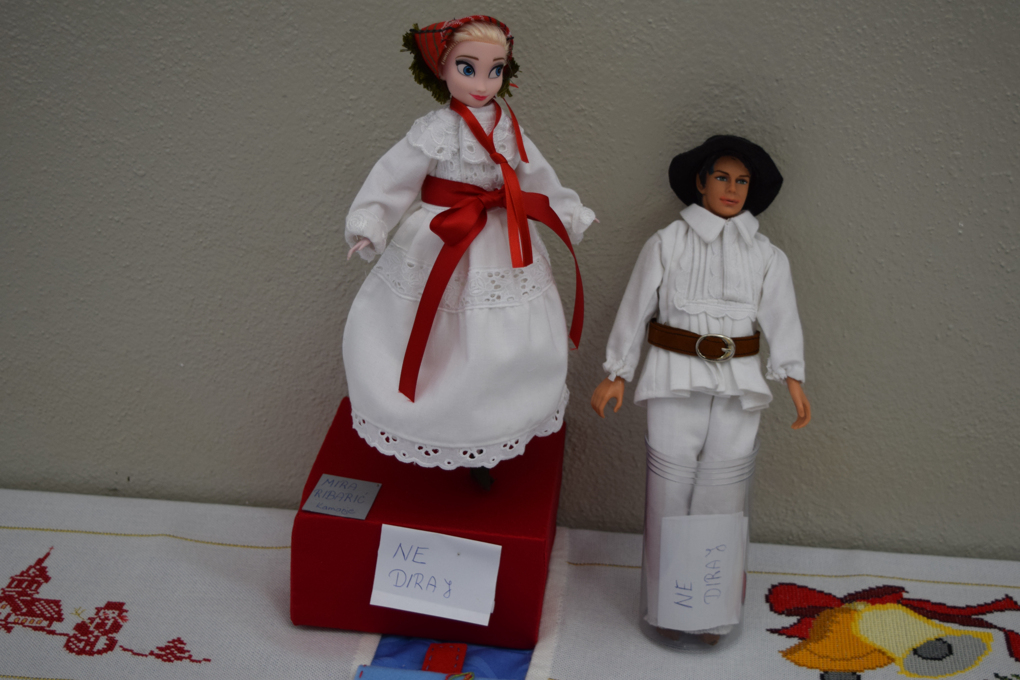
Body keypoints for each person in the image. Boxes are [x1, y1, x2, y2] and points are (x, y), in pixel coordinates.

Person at [343, 16, 595, 473]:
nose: (482, 84)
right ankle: (435, 426)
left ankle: (495, 428)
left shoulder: (508, 125)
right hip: (443, 234)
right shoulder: (436, 129)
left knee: (501, 335)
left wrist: (567, 210)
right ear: (441, 69)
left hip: (501, 234)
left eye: (495, 70)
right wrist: (371, 222)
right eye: (468, 68)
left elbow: (535, 174)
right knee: (434, 328)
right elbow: (394, 177)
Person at [591, 135, 809, 639]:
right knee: (669, 490)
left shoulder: (766, 255)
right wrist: (617, 371)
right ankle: (665, 606)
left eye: (742, 181)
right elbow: (636, 307)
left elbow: (782, 318)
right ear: (700, 182)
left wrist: (793, 378)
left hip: (739, 381)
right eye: (722, 177)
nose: (732, 189)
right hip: (675, 376)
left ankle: (710, 611)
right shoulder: (667, 242)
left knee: (724, 491)